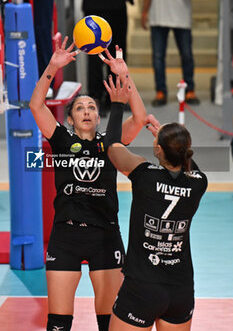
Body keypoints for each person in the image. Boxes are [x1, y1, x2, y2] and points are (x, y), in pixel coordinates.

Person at [29, 37, 146, 331]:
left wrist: (125, 75)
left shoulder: (112, 142)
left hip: (104, 235)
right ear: (70, 118)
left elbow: (141, 117)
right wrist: (52, 68)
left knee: (108, 322)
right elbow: (35, 104)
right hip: (65, 235)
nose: (86, 111)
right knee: (58, 322)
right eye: (80, 107)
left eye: (92, 107)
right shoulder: (61, 140)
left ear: (98, 116)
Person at [102, 73, 208, 330]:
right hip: (181, 289)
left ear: (158, 150)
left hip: (142, 286)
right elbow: (186, 163)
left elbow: (112, 146)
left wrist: (118, 104)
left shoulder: (144, 175)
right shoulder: (198, 182)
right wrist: (170, 139)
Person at [142, 0, 199, 106]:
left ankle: (189, 89)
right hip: (158, 16)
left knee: (186, 55)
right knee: (158, 57)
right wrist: (144, 11)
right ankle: (160, 91)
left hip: (181, 16)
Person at [82, 0, 134, 116]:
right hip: (96, 2)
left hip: (118, 2)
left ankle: (115, 97)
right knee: (95, 54)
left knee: (118, 53)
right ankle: (96, 98)